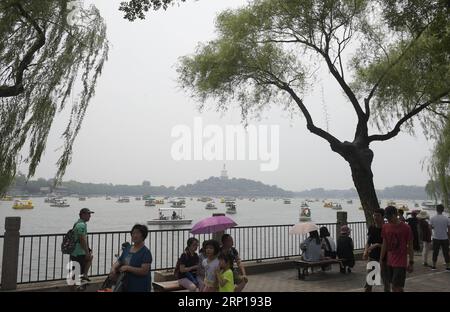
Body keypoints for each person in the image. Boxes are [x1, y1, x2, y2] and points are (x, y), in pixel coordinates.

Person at [380, 206, 414, 292]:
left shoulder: (406, 228)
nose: (388, 219)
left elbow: (410, 246)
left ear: (395, 215)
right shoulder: (385, 227)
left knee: (396, 287)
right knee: (393, 286)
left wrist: (411, 262)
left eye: (389, 217)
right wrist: (381, 259)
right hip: (389, 261)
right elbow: (384, 244)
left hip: (400, 262)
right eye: (386, 217)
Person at [109, 224, 152, 292]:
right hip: (126, 285)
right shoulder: (127, 248)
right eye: (133, 233)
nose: (134, 235)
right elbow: (119, 261)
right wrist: (113, 268)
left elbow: (144, 271)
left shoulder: (145, 252)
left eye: (137, 233)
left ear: (143, 236)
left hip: (140, 287)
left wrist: (128, 268)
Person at [363, 208, 389, 292]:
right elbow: (368, 242)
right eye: (374, 215)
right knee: (369, 282)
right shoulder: (372, 227)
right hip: (373, 258)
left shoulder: (387, 228)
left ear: (383, 217)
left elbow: (390, 246)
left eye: (378, 215)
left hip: (385, 259)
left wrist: (377, 245)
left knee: (386, 282)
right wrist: (365, 251)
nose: (375, 217)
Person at [70, 208, 94, 283]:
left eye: (90, 214)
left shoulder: (78, 223)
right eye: (88, 214)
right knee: (75, 275)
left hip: (75, 252)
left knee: (75, 273)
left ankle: (84, 275)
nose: (90, 216)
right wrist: (87, 252)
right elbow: (82, 239)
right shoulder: (81, 225)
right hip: (79, 252)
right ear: (83, 215)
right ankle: (84, 276)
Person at [429, 204, 450, 271]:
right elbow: (449, 230)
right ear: (443, 210)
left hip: (436, 237)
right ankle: (447, 267)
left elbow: (430, 228)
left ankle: (434, 266)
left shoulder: (432, 218)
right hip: (445, 238)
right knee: (446, 252)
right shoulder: (446, 218)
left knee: (435, 252)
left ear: (436, 209)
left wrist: (432, 233)